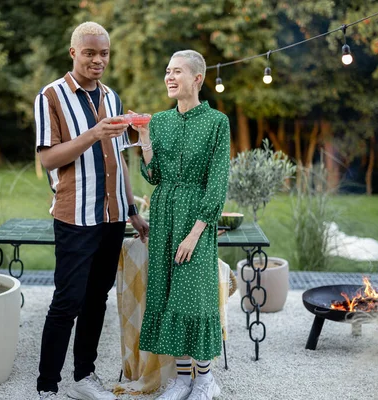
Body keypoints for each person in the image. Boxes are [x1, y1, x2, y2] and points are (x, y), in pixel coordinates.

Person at [33, 21, 149, 400]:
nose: (98, 60)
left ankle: (84, 377)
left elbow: (121, 160)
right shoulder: (50, 96)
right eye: (90, 53)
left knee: (97, 298)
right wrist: (92, 135)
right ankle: (47, 386)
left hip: (112, 217)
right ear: (73, 53)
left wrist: (131, 210)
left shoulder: (113, 98)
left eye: (104, 53)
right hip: (75, 216)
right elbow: (49, 159)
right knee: (67, 300)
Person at [135, 50, 231, 400]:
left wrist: (195, 233)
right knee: (167, 292)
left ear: (197, 79)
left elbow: (217, 182)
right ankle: (181, 379)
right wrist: (145, 136)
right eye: (167, 71)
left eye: (177, 72)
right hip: (163, 214)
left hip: (196, 219)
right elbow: (154, 175)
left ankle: (204, 380)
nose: (169, 77)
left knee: (194, 297)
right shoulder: (160, 121)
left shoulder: (217, 122)